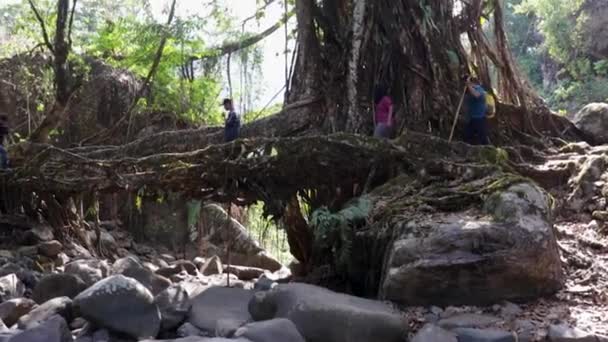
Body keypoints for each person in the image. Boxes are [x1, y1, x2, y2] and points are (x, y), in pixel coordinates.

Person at [463, 76, 489, 145]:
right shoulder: (469, 90)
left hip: (479, 117)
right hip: (472, 118)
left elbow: (476, 95)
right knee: (467, 136)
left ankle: (488, 151)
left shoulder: (479, 89)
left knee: (482, 137)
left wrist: (468, 85)